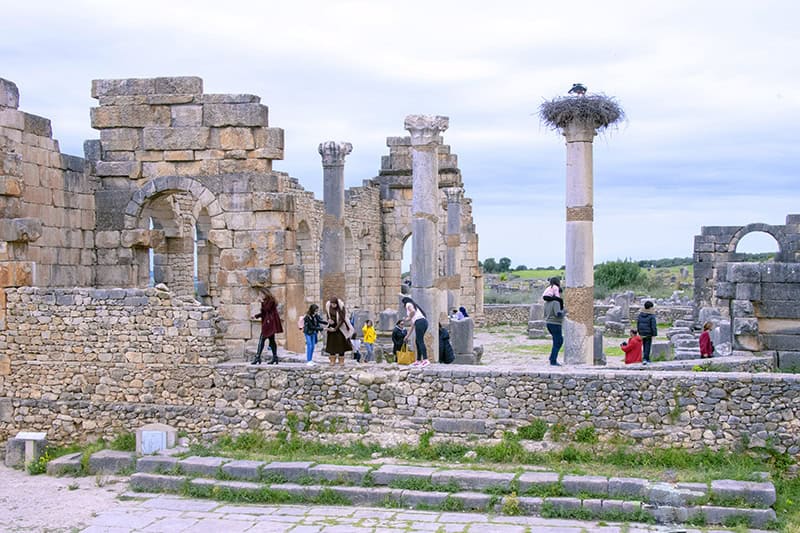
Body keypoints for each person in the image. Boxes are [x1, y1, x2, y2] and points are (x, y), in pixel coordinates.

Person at [252, 288, 283, 365]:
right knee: (271, 341)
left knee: (262, 339)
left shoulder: (271, 301)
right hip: (268, 323)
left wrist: (262, 302)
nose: (260, 296)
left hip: (270, 323)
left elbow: (267, 309)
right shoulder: (266, 301)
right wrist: (256, 316)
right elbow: (263, 313)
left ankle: (258, 357)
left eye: (261, 294)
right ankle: (275, 357)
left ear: (265, 294)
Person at [324, 297, 353, 366]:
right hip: (332, 326)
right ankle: (332, 360)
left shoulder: (341, 307)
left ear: (337, 303)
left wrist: (336, 328)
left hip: (340, 328)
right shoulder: (328, 306)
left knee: (341, 345)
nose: (333, 305)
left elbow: (342, 319)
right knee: (331, 345)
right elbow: (328, 315)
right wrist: (329, 320)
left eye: (334, 304)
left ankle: (341, 360)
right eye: (332, 304)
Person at [402, 296, 429, 367]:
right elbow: (412, 326)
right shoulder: (416, 311)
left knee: (420, 341)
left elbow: (412, 311)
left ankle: (426, 360)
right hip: (422, 322)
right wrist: (407, 336)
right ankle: (418, 360)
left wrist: (408, 318)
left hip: (420, 322)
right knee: (417, 341)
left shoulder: (408, 304)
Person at [542, 277, 564, 366]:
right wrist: (565, 312)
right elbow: (557, 313)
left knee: (557, 340)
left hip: (549, 323)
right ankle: (553, 360)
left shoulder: (546, 303)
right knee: (558, 341)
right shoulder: (556, 302)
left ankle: (552, 357)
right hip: (555, 323)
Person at [636, 301, 658, 365]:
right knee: (647, 346)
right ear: (650, 307)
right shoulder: (651, 316)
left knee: (643, 345)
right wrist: (654, 333)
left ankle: (643, 358)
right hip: (648, 333)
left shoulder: (640, 314)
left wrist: (639, 331)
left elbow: (638, 323)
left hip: (642, 332)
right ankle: (646, 359)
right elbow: (653, 326)